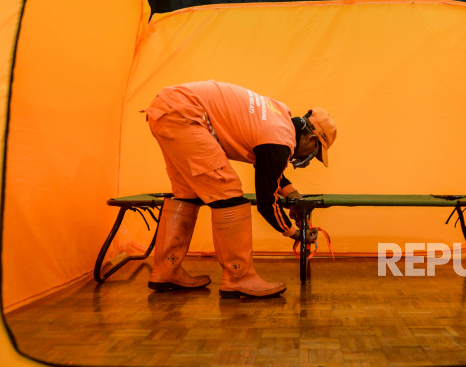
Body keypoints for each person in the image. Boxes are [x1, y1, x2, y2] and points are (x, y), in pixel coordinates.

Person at [140, 80, 337, 299]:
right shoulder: (279, 140)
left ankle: (167, 270)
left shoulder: (279, 118)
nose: (306, 160)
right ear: (311, 139)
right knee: (228, 191)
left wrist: (292, 195)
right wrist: (295, 233)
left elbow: (268, 170)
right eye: (314, 154)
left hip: (167, 110)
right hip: (185, 115)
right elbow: (266, 202)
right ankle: (238, 277)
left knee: (188, 193)